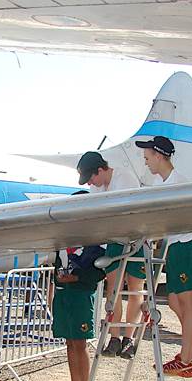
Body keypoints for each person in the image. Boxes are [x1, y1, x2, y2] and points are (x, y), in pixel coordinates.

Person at [135, 136, 192, 377]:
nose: (146, 162)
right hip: (175, 246)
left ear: (158, 155)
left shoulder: (179, 183)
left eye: (147, 158)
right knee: (176, 302)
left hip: (187, 245)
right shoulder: (160, 184)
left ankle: (186, 359)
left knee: (188, 303)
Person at [76, 151, 145, 359]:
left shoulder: (125, 179)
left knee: (135, 288)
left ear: (100, 169)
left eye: (91, 178)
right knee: (112, 288)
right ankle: (114, 337)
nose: (90, 184)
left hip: (136, 239)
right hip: (114, 240)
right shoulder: (97, 188)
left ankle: (129, 338)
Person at [51, 235, 106, 381]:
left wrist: (78, 277)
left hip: (81, 296)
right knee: (69, 342)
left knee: (80, 343)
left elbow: (99, 272)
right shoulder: (61, 243)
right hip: (63, 294)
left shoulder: (93, 244)